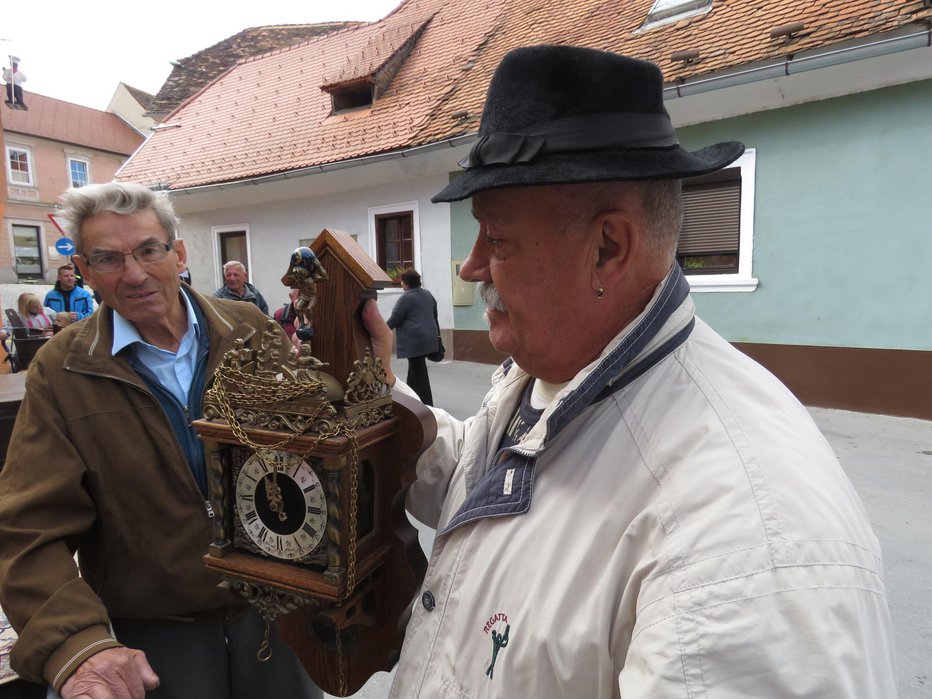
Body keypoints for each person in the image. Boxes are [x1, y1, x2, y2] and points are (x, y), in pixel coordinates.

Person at [364, 46, 897, 697]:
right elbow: (477, 483)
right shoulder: (555, 373)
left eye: (497, 240)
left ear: (607, 249)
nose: (472, 268)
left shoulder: (737, 539)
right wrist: (374, 396)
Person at [0, 182, 321, 699]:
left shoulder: (251, 330)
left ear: (178, 253)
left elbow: (315, 445)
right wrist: (80, 644)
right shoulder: (62, 369)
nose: (133, 273)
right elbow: (28, 530)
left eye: (149, 250)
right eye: (107, 259)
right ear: (83, 270)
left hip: (275, 620)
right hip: (156, 640)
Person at [385, 268, 440, 406]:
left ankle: (426, 404)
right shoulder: (427, 294)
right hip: (429, 339)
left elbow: (395, 319)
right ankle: (410, 397)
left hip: (415, 341)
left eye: (402, 281)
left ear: (406, 283)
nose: (401, 284)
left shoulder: (406, 297)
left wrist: (381, 331)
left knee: (419, 372)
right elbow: (435, 314)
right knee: (415, 368)